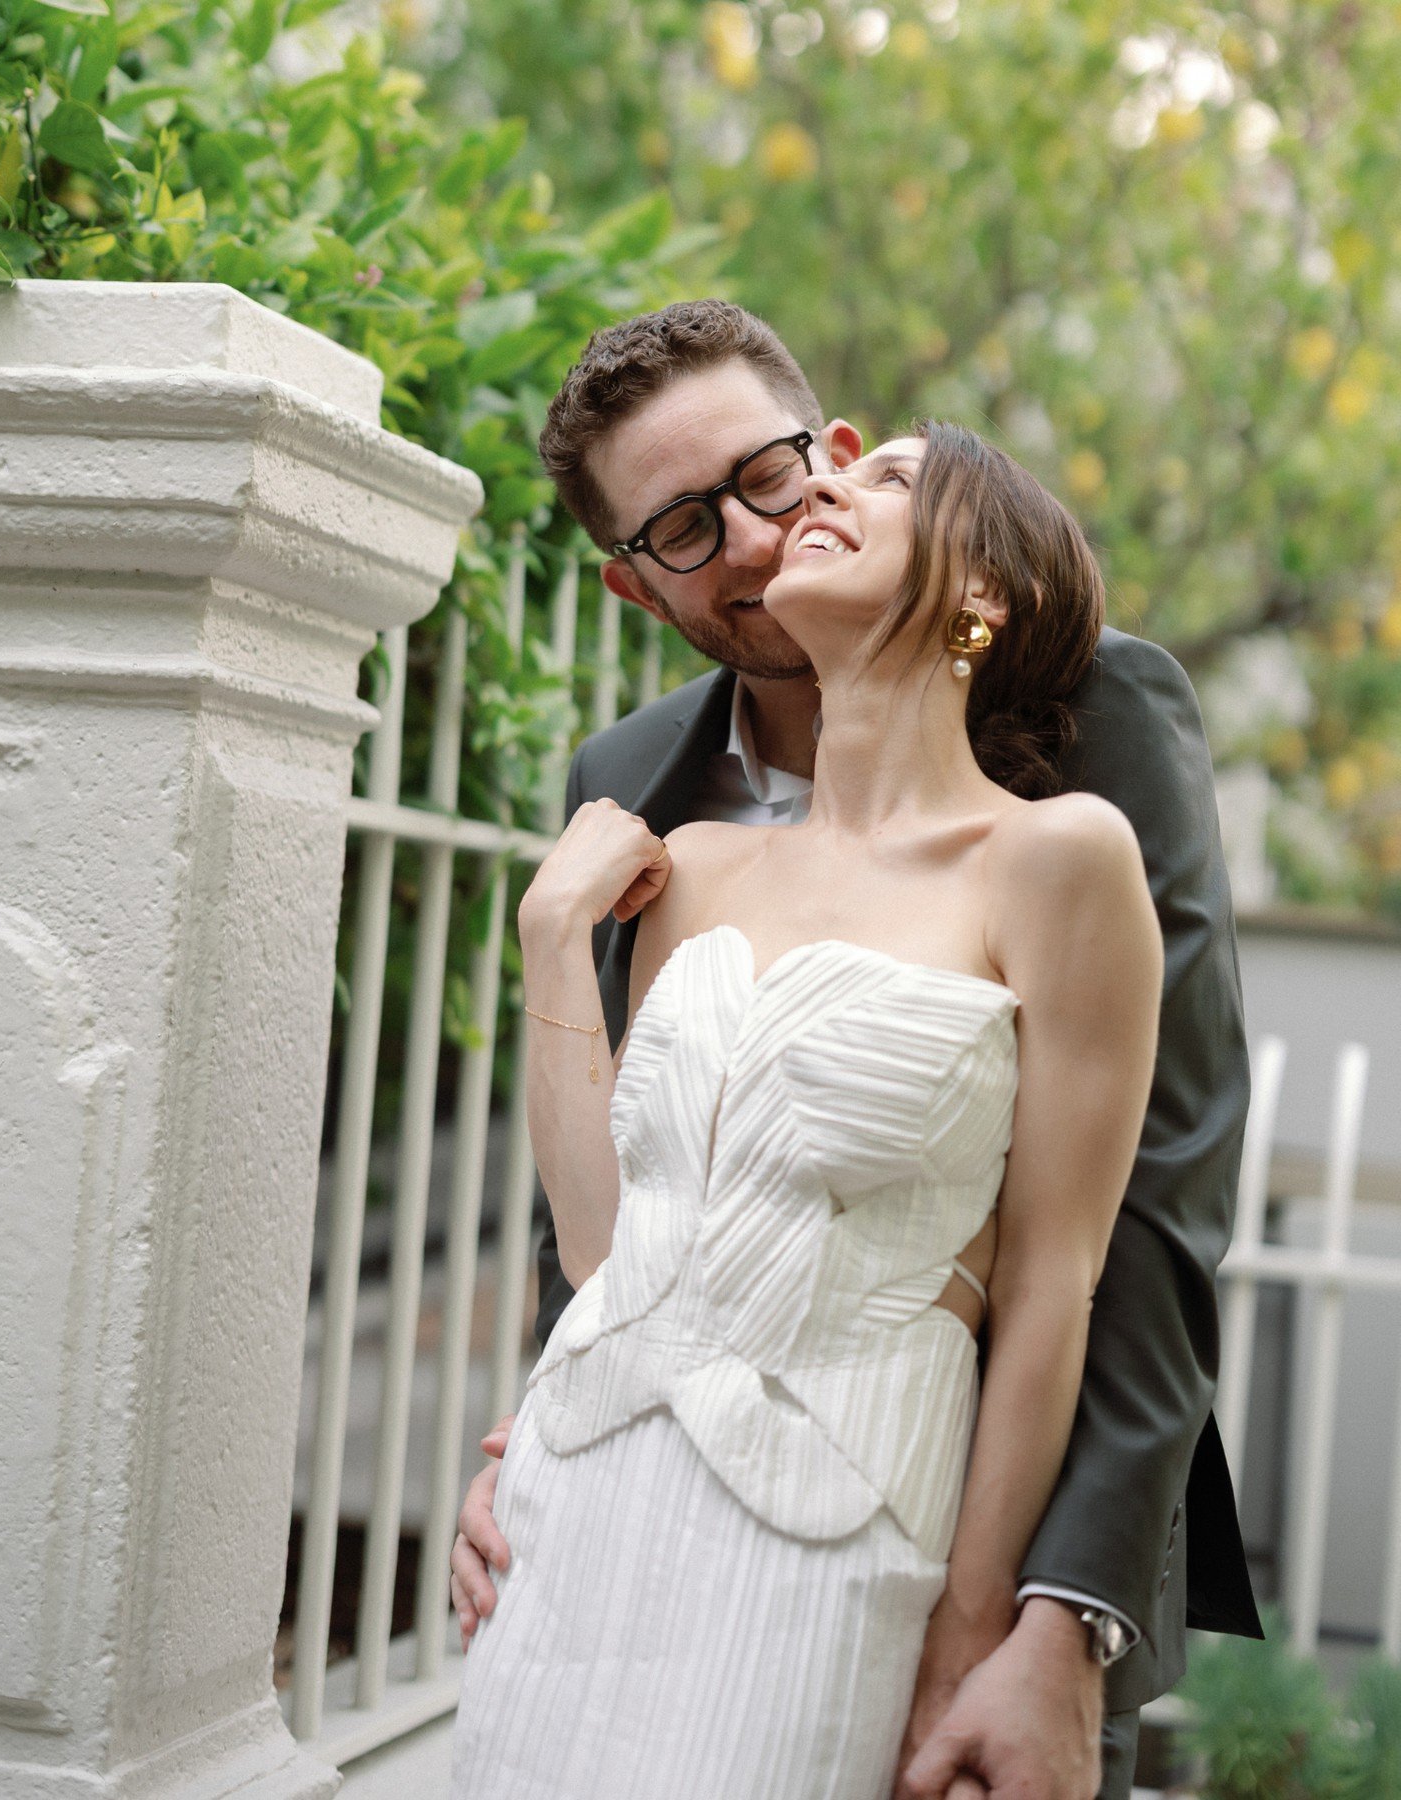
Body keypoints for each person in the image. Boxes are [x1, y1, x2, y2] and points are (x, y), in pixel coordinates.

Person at [450, 301, 1262, 1799]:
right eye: (687, 529)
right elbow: (650, 1202)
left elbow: (1151, 1203)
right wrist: (531, 1438)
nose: (760, 539)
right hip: (613, 1506)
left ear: (825, 454)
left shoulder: (1092, 738)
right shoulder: (636, 797)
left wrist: (1050, 1620)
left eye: (770, 477)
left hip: (944, 1536)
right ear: (635, 587)